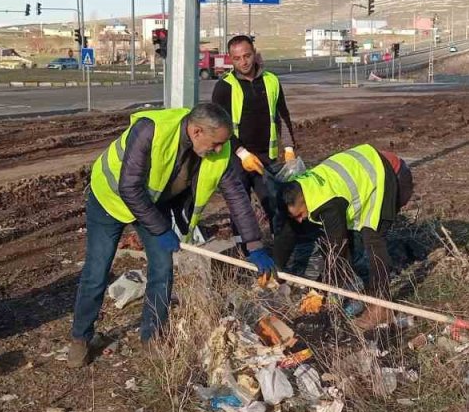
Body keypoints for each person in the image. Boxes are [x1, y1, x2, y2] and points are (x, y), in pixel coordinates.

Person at [68, 103, 276, 367]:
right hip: (110, 199)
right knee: (97, 270)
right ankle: (80, 339)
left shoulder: (218, 150)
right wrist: (162, 229)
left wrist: (254, 245)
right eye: (215, 144)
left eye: (222, 144)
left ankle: (152, 337)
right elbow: (129, 187)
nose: (219, 150)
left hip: (153, 205)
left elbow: (236, 196)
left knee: (162, 269)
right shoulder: (150, 130)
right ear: (197, 131)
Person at [272, 144, 413, 330]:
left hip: (383, 175)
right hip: (362, 166)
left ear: (304, 201)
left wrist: (328, 291)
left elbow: (337, 247)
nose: (299, 220)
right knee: (348, 237)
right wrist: (275, 268)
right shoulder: (297, 190)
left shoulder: (327, 204)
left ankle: (382, 307)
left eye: (299, 214)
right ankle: (360, 290)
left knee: (373, 239)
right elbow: (288, 232)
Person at [210, 35, 298, 229]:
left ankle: (278, 243)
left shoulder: (271, 81)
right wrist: (242, 153)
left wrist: (289, 148)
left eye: (247, 56)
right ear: (230, 59)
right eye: (237, 58)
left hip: (266, 158)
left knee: (275, 205)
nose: (243, 62)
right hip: (236, 158)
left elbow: (282, 115)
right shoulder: (224, 87)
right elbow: (219, 126)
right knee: (240, 210)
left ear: (254, 53)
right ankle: (243, 245)